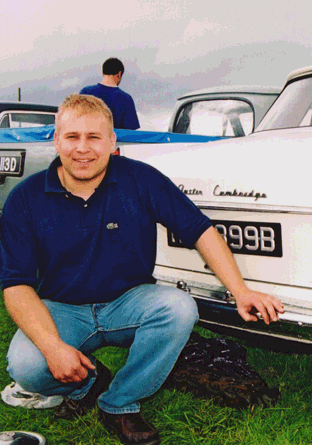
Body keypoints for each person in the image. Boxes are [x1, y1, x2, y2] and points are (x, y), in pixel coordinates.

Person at [0, 94, 283, 445]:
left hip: (128, 301)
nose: (82, 149)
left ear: (113, 141)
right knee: (26, 367)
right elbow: (16, 286)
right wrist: (52, 346)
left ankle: (119, 402)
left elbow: (201, 231)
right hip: (62, 308)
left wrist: (240, 291)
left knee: (179, 308)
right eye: (72, 137)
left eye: (94, 137)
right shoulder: (25, 198)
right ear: (56, 140)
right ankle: (87, 384)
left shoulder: (141, 179)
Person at [80, 58, 140, 130]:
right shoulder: (126, 99)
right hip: (114, 140)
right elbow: (130, 132)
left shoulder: (86, 93)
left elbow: (76, 120)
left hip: (89, 139)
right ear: (119, 74)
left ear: (102, 72)